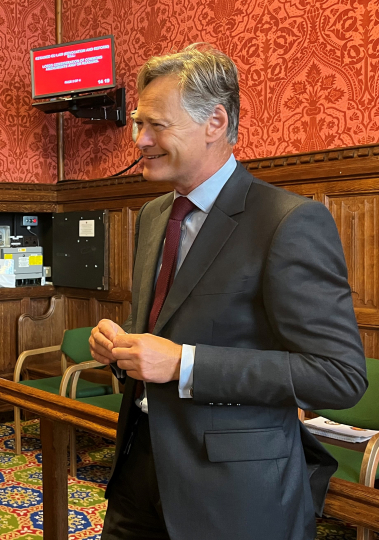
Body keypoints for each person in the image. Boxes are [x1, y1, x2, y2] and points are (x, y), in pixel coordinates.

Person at [89, 44, 367, 540]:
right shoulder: (154, 216)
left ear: (214, 121)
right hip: (138, 472)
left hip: (234, 495)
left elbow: (339, 376)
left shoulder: (288, 222)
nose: (139, 139)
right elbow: (168, 329)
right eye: (136, 123)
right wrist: (122, 351)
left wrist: (184, 364)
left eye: (156, 125)